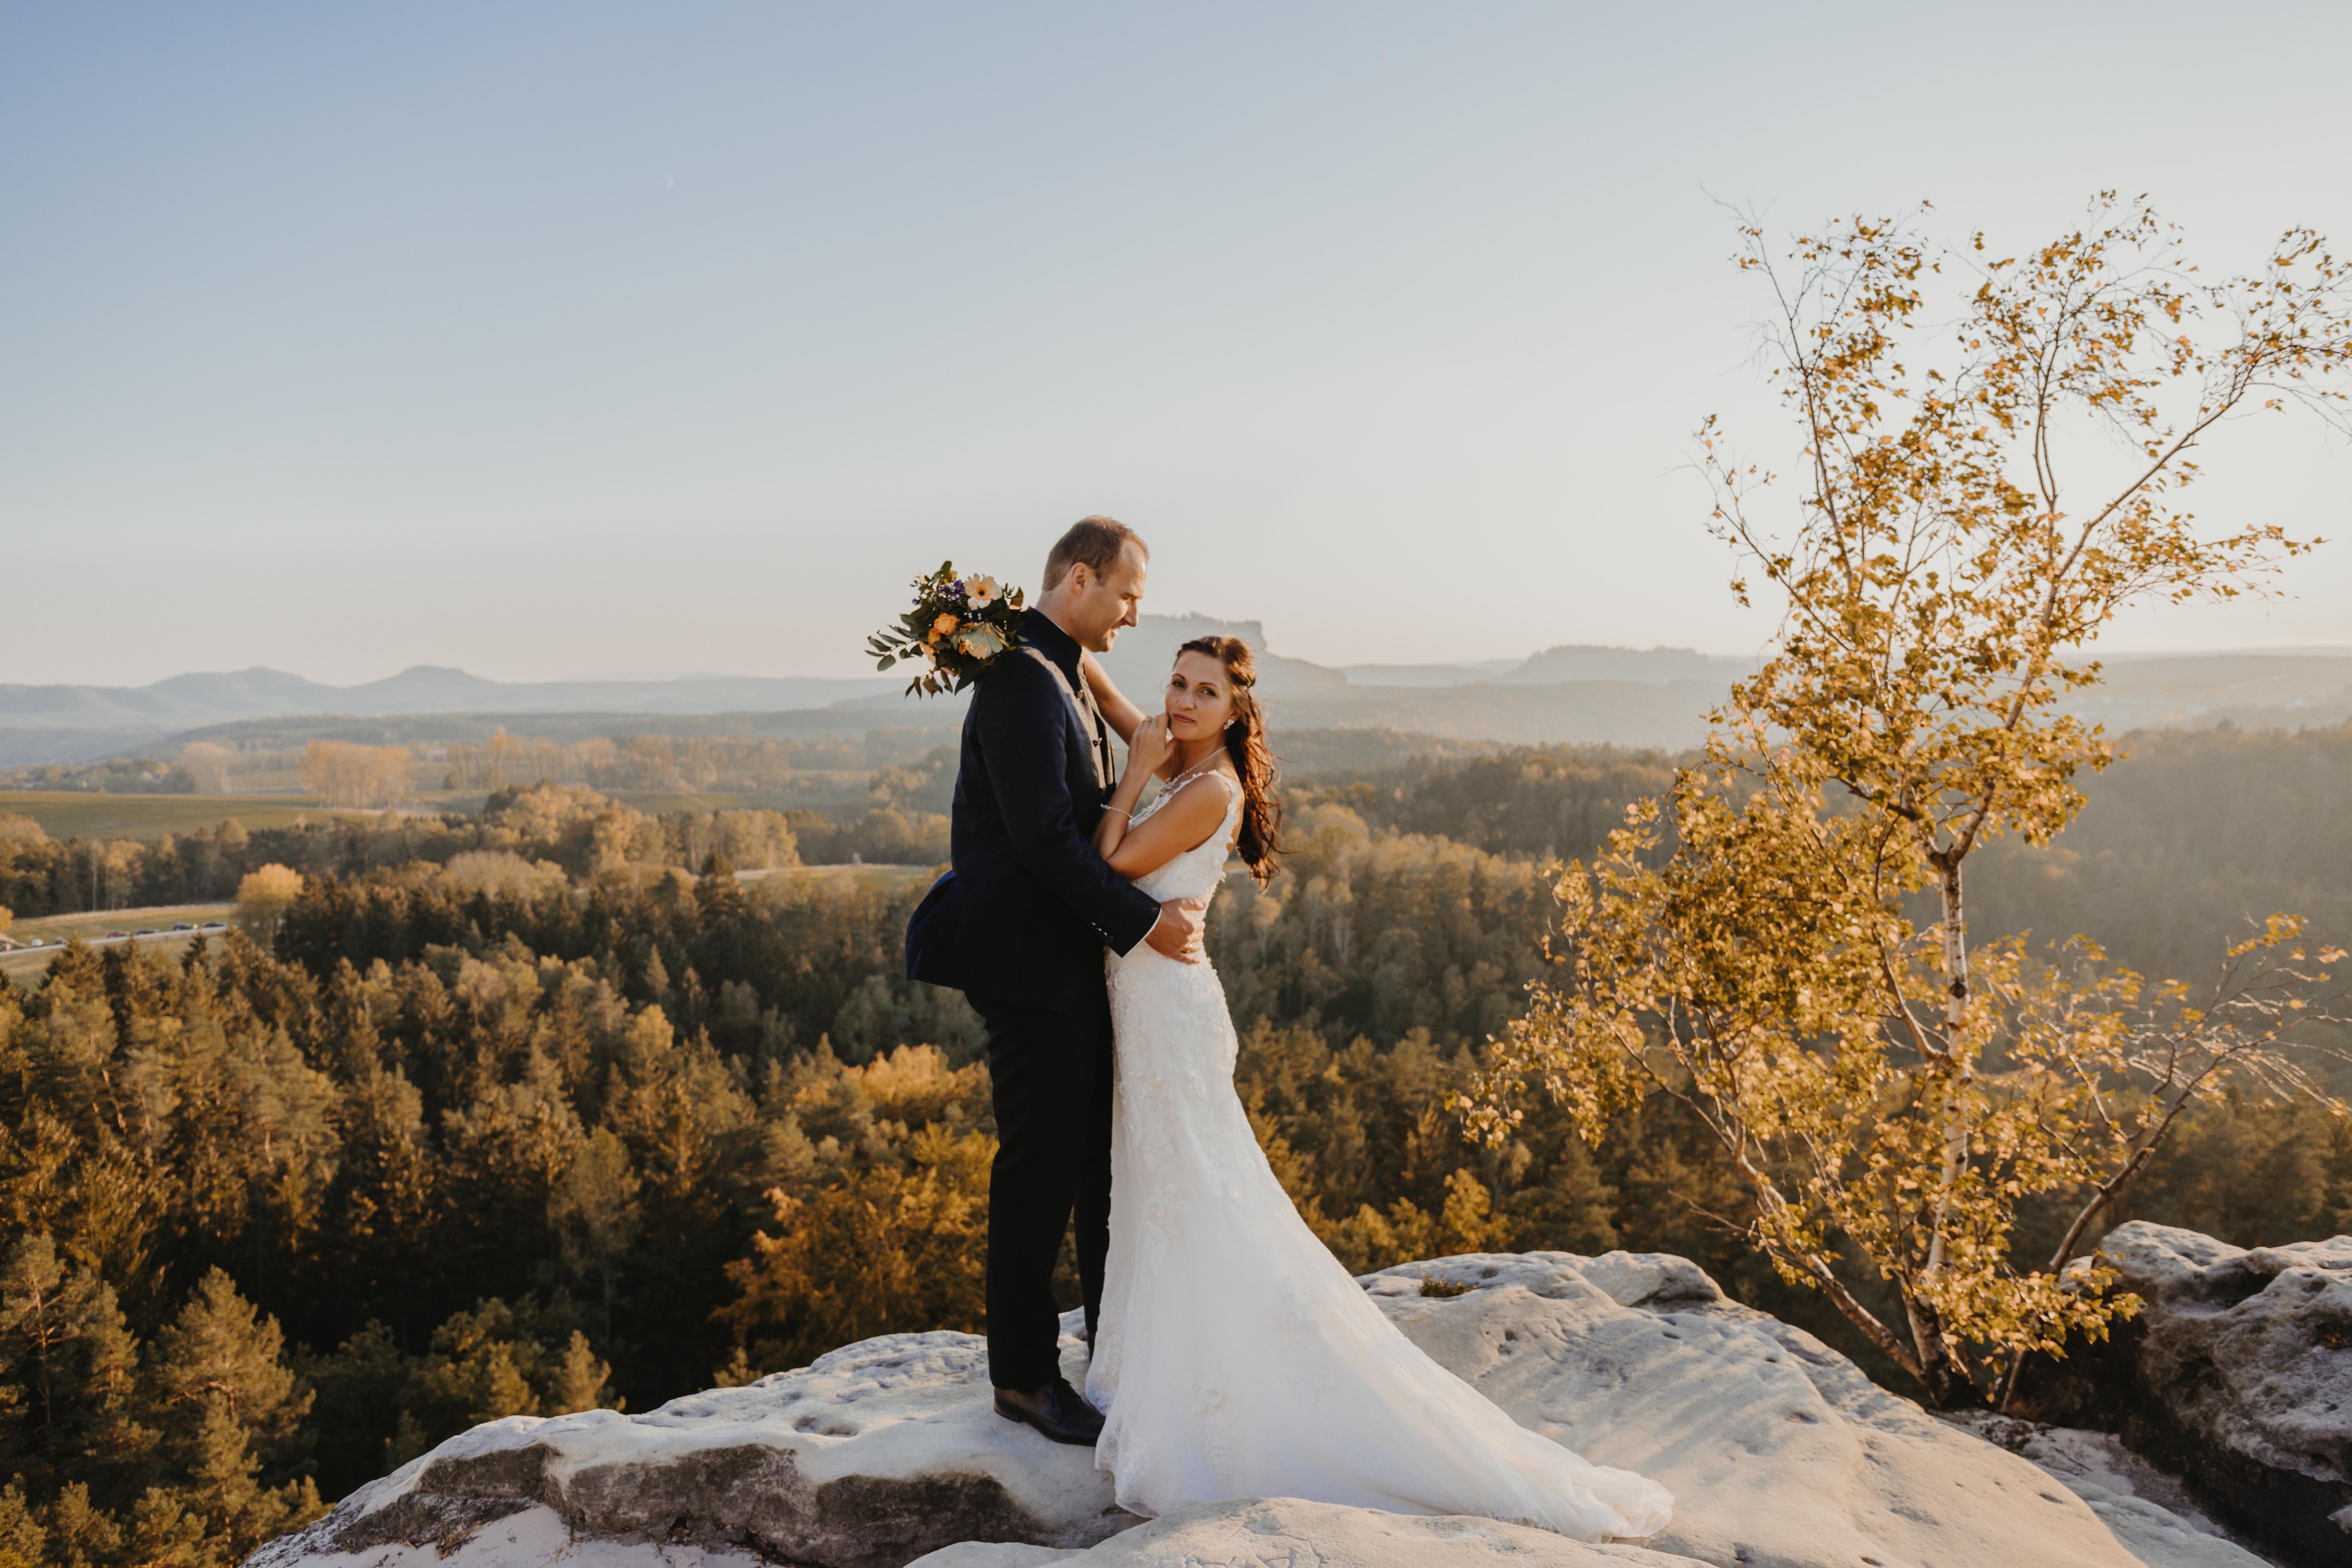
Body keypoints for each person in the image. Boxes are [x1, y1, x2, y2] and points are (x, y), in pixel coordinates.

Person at [1074, 632, 1675, 1543]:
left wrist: (1128, 777)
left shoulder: (1209, 789)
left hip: (1171, 1016)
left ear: (1237, 710)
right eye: (1177, 683)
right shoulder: (1178, 751)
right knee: (1161, 1190)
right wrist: (1044, 637)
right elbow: (1125, 710)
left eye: (1206, 691)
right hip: (1150, 1005)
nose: (1184, 701)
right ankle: (1162, 1361)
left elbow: (1109, 862)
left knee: (1196, 1193)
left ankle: (1241, 1385)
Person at [905, 516, 1207, 1447]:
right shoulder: (1022, 685)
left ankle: (1107, 1353)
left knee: (1087, 1163)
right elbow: (1044, 841)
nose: (1131, 614)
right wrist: (1145, 925)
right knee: (1038, 1171)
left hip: (1065, 961)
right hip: (1030, 968)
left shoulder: (1056, 666)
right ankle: (1025, 1379)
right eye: (1126, 596)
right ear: (1080, 579)